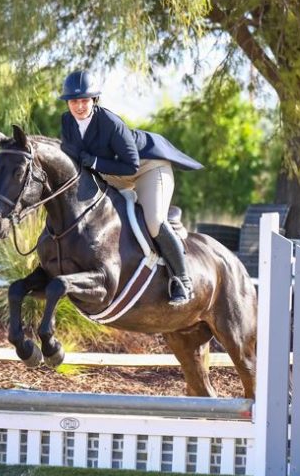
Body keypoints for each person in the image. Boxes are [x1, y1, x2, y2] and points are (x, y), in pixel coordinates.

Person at [59, 70, 204, 305]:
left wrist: (94, 162)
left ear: (94, 100)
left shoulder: (110, 123)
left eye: (84, 100)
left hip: (146, 168)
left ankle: (182, 280)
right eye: (74, 101)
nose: (79, 106)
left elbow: (130, 164)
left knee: (154, 221)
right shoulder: (67, 121)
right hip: (111, 173)